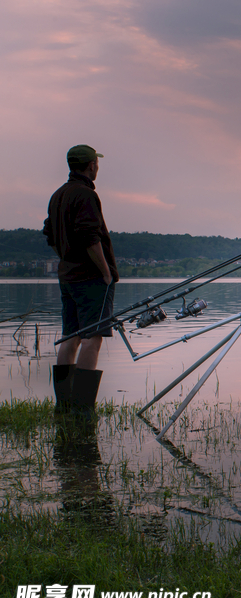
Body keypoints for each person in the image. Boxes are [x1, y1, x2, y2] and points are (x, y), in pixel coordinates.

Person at [43, 145, 119, 411]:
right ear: (91, 166)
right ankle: (83, 407)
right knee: (93, 337)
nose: (97, 167)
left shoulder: (58, 195)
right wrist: (105, 271)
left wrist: (66, 256)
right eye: (95, 163)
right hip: (90, 278)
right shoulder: (85, 194)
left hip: (67, 277)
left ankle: (64, 406)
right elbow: (90, 237)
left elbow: (50, 235)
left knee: (70, 336)